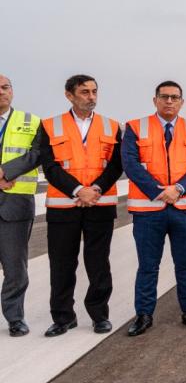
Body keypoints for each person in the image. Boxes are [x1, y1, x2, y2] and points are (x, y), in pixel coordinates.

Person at [121, 81, 186, 336]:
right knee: (148, 265)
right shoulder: (136, 128)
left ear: (182, 101)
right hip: (149, 210)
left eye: (174, 97)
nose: (169, 101)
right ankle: (144, 315)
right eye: (164, 97)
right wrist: (159, 191)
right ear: (155, 100)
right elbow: (130, 163)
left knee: (185, 264)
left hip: (185, 208)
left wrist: (179, 189)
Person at [38, 74, 122, 336]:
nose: (91, 97)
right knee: (62, 264)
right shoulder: (50, 125)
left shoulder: (112, 126)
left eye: (94, 91)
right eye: (84, 92)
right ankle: (63, 317)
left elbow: (117, 165)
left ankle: (99, 315)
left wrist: (94, 189)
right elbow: (50, 166)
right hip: (64, 207)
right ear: (69, 95)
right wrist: (77, 190)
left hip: (100, 204)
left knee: (98, 264)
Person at [0, 74, 42, 337]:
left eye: (5, 87)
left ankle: (15, 318)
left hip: (15, 205)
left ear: (12, 91)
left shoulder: (31, 122)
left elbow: (37, 153)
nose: (1, 92)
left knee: (16, 268)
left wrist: (6, 172)